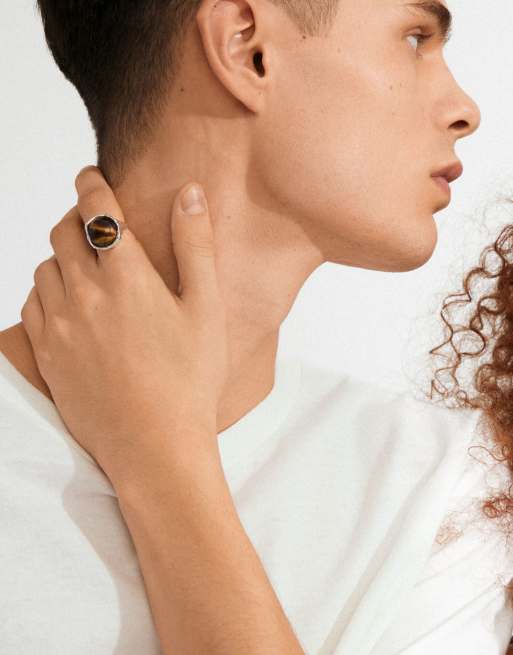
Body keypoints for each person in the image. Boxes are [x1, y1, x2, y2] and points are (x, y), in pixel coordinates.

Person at [1, 0, 512, 652]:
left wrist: (162, 457)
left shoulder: (439, 491)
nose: (465, 110)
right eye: (414, 38)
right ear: (247, 49)